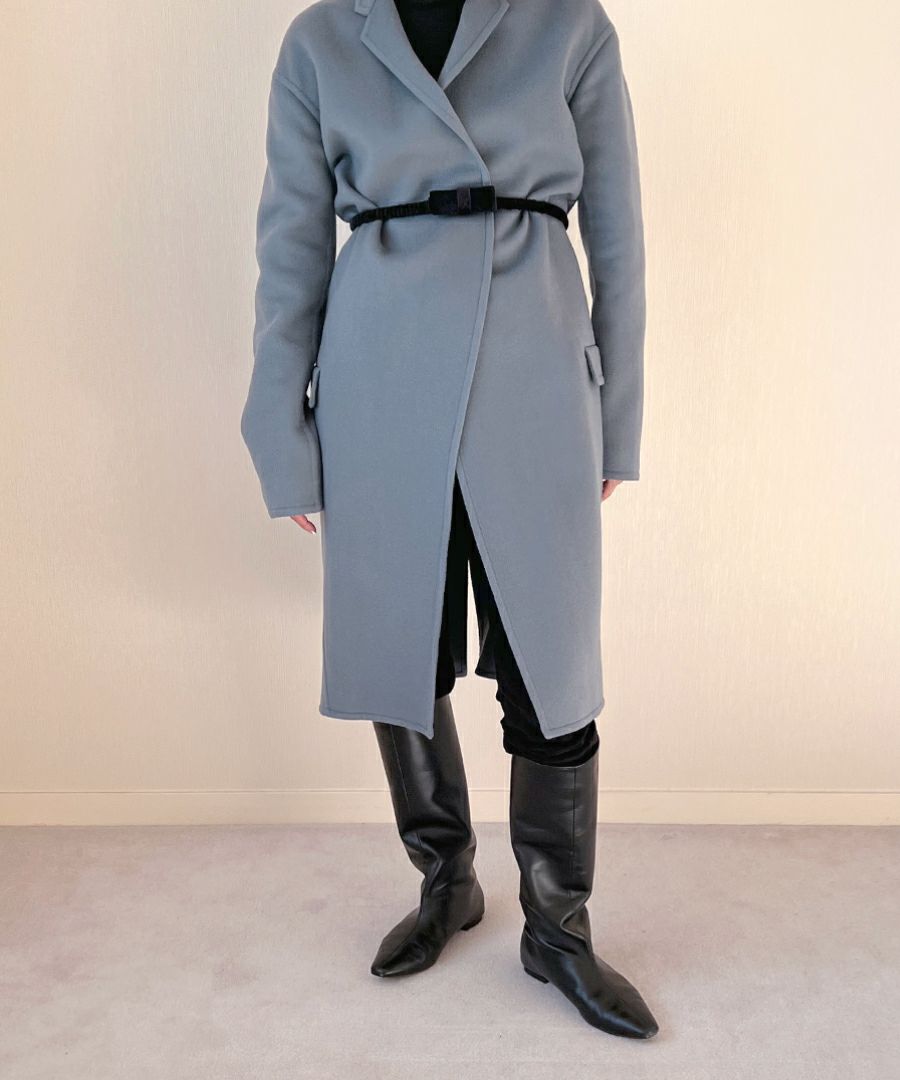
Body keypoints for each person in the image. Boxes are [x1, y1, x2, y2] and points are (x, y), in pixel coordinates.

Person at [241, 0, 658, 1039]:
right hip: (378, 378)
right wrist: (282, 432)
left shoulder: (569, 24)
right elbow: (291, 246)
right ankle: (447, 878)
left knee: (550, 665)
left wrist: (616, 423)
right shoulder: (321, 41)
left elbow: (619, 238)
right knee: (401, 651)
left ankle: (557, 926)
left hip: (536, 370)